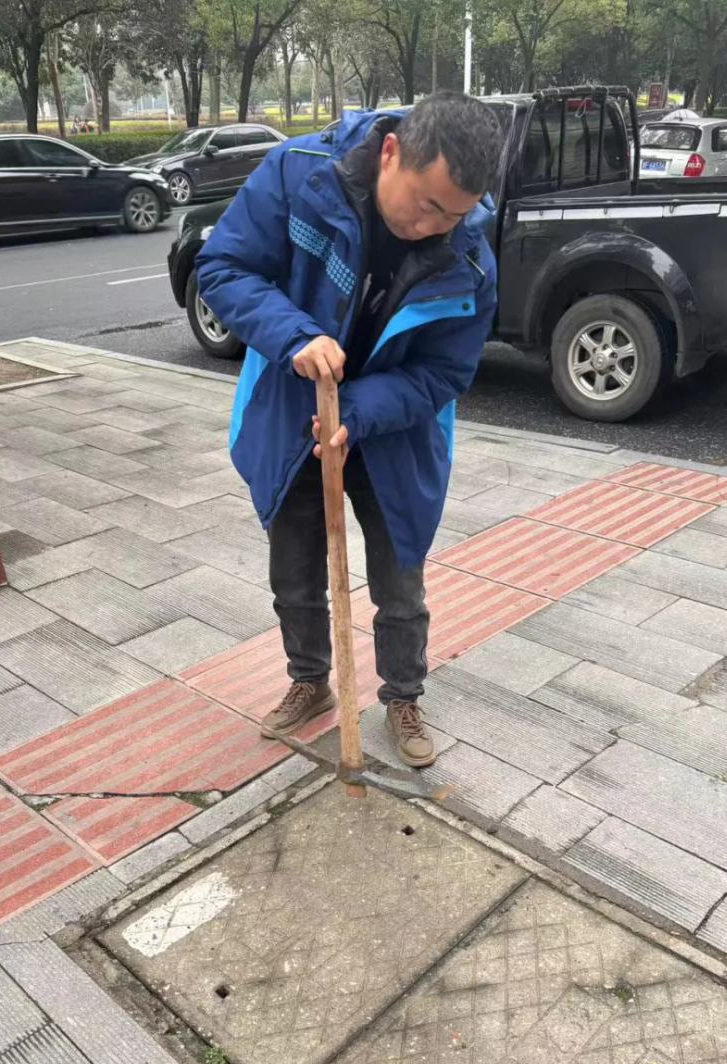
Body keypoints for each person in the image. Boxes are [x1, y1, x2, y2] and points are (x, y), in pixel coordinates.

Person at [195, 93, 501, 768]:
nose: (433, 227)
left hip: (395, 432)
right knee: (295, 568)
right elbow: (222, 267)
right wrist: (295, 336)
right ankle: (309, 681)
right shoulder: (298, 174)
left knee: (400, 579)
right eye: (427, 204)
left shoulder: (471, 257)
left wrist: (357, 411)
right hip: (294, 411)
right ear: (391, 153)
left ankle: (403, 694)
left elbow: (444, 372)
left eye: (455, 214)